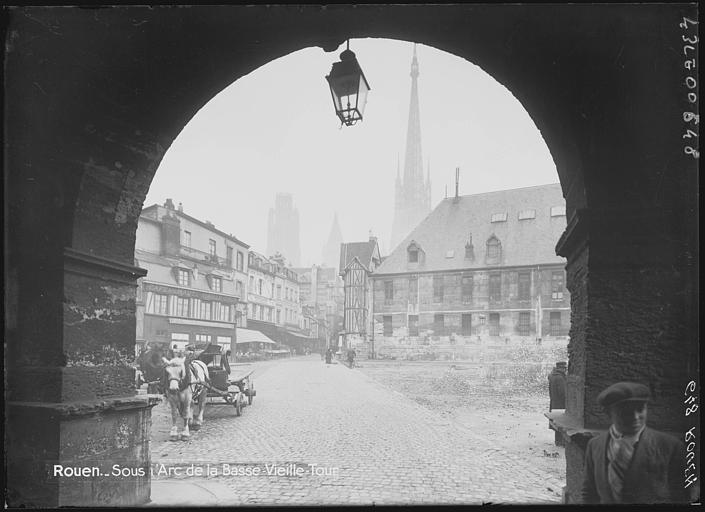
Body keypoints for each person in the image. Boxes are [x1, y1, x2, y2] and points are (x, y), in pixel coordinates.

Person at [581, 382, 689, 504]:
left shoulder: (670, 446)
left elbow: (681, 497)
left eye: (640, 409)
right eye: (626, 411)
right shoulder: (595, 445)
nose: (635, 417)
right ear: (608, 413)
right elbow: (589, 493)